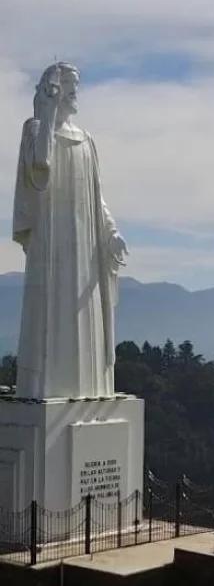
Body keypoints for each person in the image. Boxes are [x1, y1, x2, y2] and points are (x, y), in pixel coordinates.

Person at [13, 62, 128, 399]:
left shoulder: (87, 141)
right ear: (56, 91)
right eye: (69, 86)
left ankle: (88, 386)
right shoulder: (36, 131)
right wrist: (46, 115)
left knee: (85, 314)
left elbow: (98, 196)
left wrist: (110, 232)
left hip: (85, 251)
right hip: (52, 246)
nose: (76, 93)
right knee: (51, 314)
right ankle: (49, 384)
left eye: (76, 86)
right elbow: (40, 170)